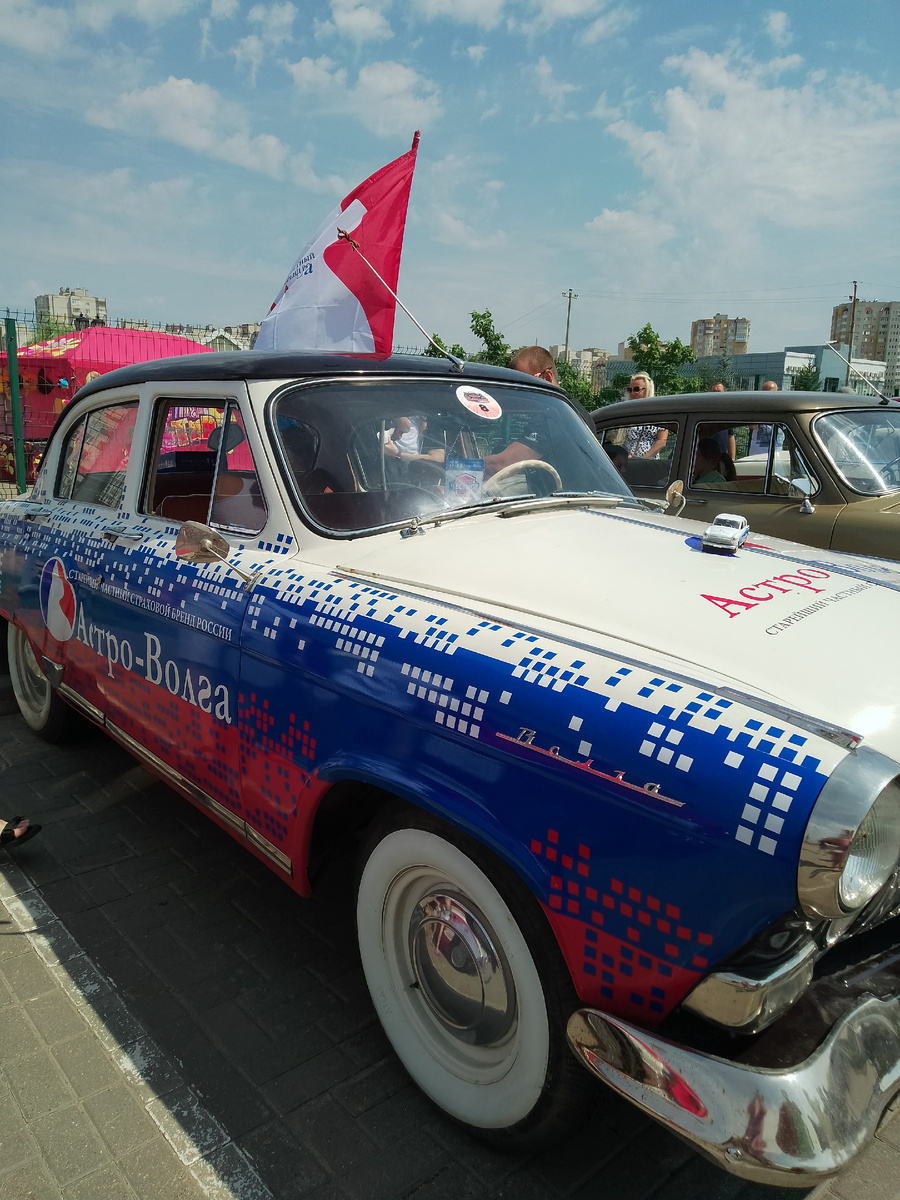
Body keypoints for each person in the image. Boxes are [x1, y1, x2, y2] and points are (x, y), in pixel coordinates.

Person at [622, 373, 667, 458]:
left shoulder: (657, 413)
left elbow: (662, 441)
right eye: (630, 390)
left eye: (636, 389)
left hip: (649, 462)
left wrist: (644, 459)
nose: (632, 393)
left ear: (647, 390)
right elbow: (620, 441)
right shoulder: (627, 413)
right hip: (629, 462)